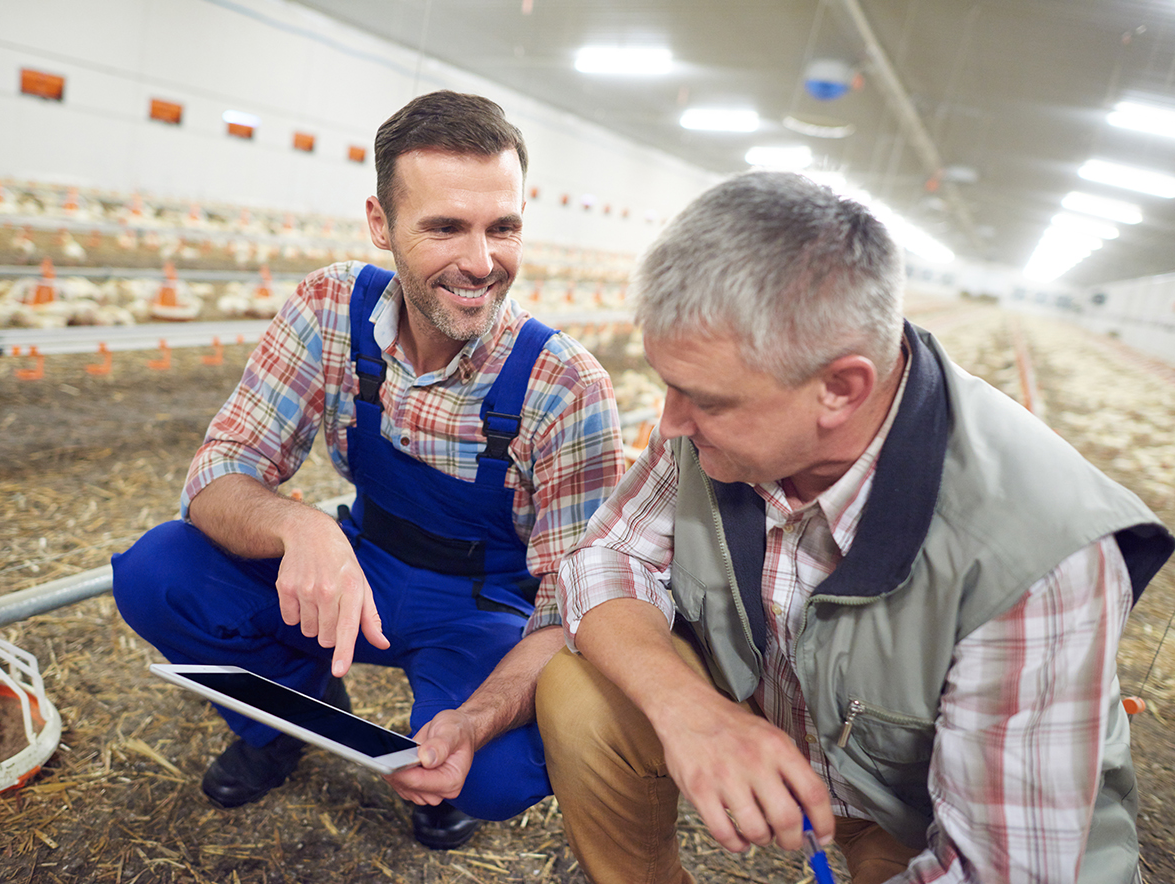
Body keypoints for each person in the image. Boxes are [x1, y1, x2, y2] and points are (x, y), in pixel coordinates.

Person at [536, 170, 1174, 884]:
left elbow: (1004, 871)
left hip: (928, 813)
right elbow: (606, 556)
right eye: (667, 384)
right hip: (786, 734)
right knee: (581, 695)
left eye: (705, 400)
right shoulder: (705, 426)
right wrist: (689, 711)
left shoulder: (1035, 550)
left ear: (840, 388)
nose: (670, 423)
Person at [112, 90, 623, 850]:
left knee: (499, 769)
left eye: (502, 227)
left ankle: (447, 767)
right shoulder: (329, 307)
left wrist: (478, 718)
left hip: (482, 605)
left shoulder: (566, 388)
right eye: (445, 227)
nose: (481, 262)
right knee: (160, 572)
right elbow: (220, 470)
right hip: (362, 558)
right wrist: (298, 524)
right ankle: (287, 718)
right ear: (380, 225)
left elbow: (575, 607)